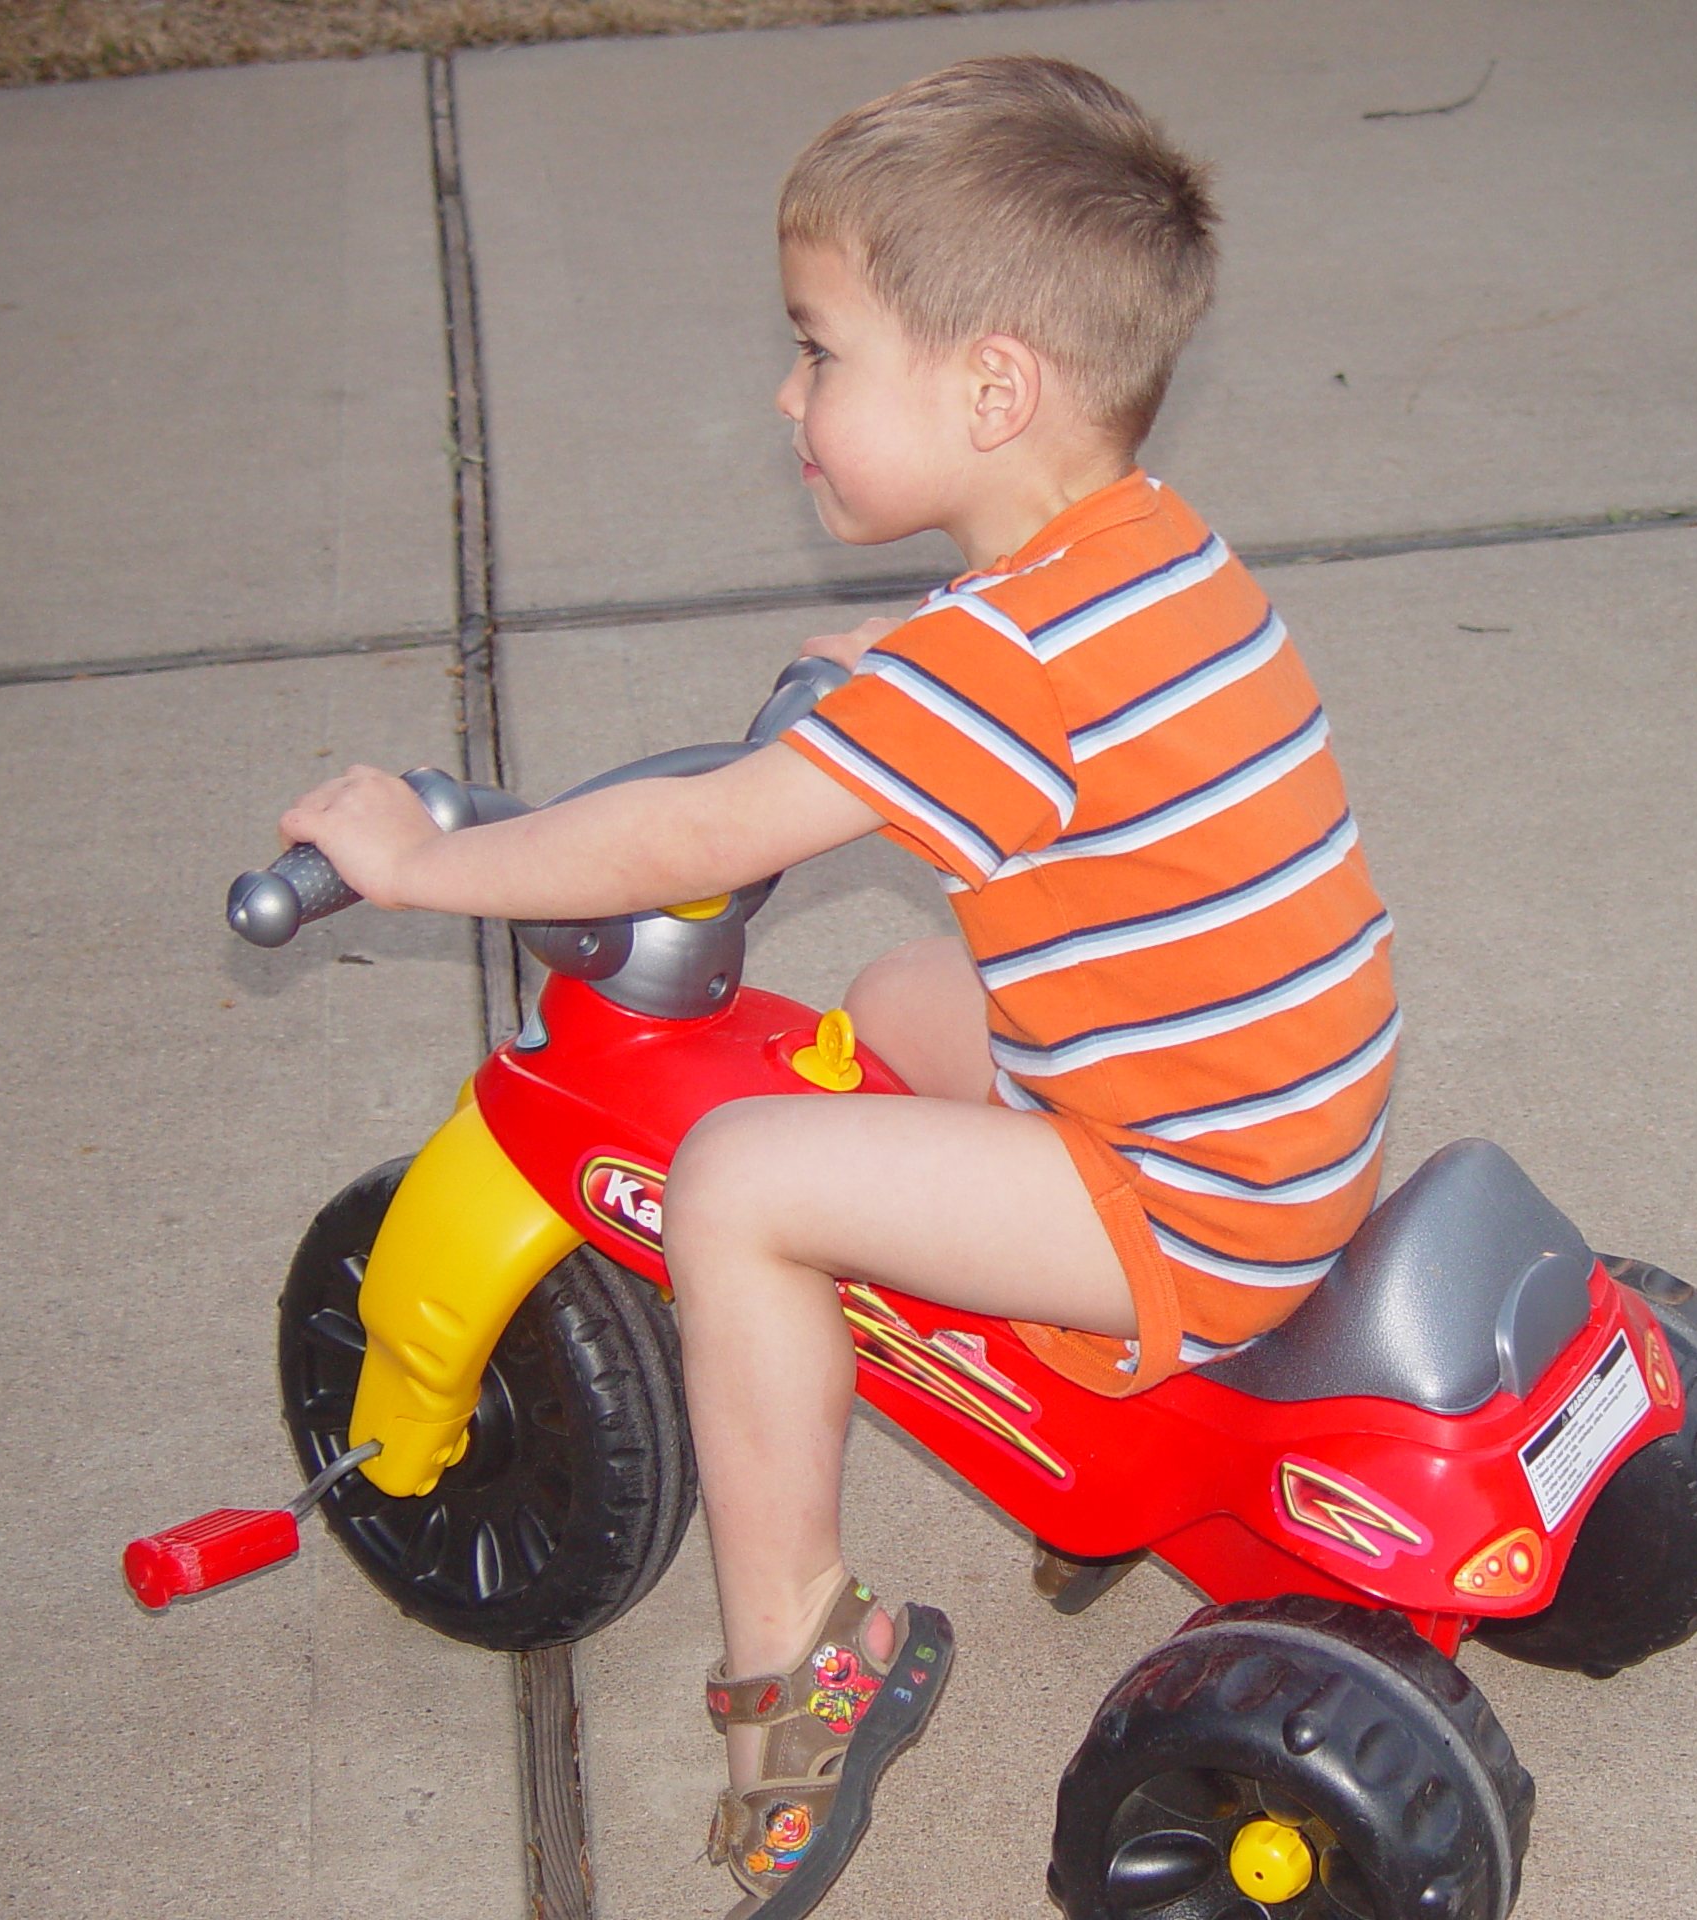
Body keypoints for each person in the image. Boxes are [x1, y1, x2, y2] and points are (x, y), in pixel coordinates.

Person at [281, 54, 1397, 1920]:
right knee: (890, 986)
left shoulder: (984, 679)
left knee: (736, 1179)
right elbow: (1040, 692)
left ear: (989, 387)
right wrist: (905, 658)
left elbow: (676, 839)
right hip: (1279, 1123)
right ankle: (1049, 1420)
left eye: (820, 351)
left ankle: (805, 1672)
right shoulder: (1147, 560)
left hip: (1181, 1205)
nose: (786, 395)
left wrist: (421, 861)